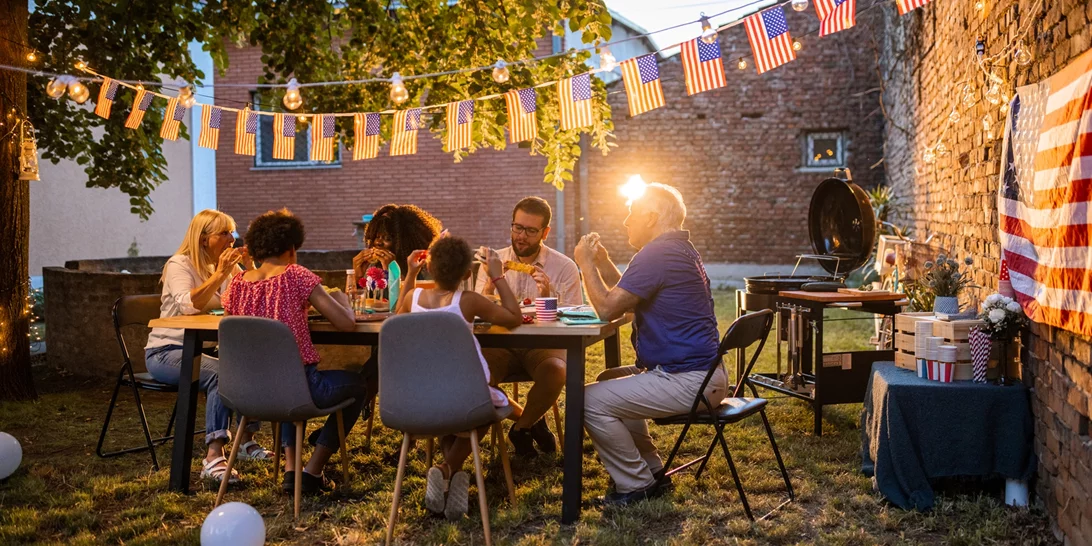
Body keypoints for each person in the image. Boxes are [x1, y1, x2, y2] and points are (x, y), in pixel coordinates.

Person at [573, 182, 727, 507]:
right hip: (705, 375)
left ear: (652, 216)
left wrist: (584, 263)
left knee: (585, 400)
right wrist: (602, 263)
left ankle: (637, 485)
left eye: (632, 213)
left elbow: (607, 308)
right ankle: (653, 470)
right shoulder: (677, 249)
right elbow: (629, 299)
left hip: (688, 379)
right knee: (608, 380)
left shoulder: (657, 253)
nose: (626, 221)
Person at [222, 209, 366, 494]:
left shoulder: (238, 284)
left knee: (285, 374)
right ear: (292, 248)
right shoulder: (296, 276)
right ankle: (313, 470)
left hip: (248, 392)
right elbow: (346, 324)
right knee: (360, 385)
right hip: (296, 390)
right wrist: (341, 299)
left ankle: (291, 471)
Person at [396, 236, 523, 520]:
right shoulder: (468, 301)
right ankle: (446, 469)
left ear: (428, 267)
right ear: (467, 274)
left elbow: (395, 320)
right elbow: (514, 317)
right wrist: (497, 275)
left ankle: (451, 483)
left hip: (421, 397)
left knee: (452, 412)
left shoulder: (412, 297)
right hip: (464, 396)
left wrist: (411, 276)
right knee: (483, 412)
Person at [144, 209, 270, 484]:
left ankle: (246, 441)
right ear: (203, 239)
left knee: (252, 364)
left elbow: (258, 294)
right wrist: (221, 273)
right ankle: (214, 457)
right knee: (221, 374)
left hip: (208, 349)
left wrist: (250, 267)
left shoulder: (224, 265)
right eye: (223, 233)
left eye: (232, 232)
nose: (231, 238)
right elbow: (190, 304)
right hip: (167, 352)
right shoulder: (180, 264)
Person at [474, 196, 581, 456]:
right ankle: (531, 418)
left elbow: (575, 320)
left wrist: (548, 297)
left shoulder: (565, 267)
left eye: (531, 231)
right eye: (517, 228)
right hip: (500, 345)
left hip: (542, 346)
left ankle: (520, 428)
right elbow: (479, 315)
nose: (521, 237)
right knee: (477, 380)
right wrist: (489, 284)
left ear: (545, 232)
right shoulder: (492, 262)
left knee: (556, 370)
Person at [352, 204, 443, 280]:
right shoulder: (373, 268)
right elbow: (359, 299)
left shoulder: (423, 268)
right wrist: (356, 277)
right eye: (376, 237)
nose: (378, 242)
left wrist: (393, 271)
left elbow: (406, 299)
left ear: (405, 243)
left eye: (387, 238)